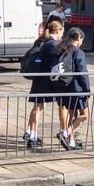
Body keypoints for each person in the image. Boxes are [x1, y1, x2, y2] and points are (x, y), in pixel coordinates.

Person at [23, 19, 64, 149]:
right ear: (58, 31)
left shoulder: (43, 41)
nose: (62, 34)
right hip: (46, 81)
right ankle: (33, 136)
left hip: (39, 79)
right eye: (62, 31)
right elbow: (55, 65)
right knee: (40, 108)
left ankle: (31, 133)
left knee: (37, 107)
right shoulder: (53, 44)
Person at [55, 27, 90, 150]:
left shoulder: (61, 49)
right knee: (84, 115)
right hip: (77, 89)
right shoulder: (78, 52)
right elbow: (82, 72)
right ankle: (65, 133)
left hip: (63, 86)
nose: (81, 42)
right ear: (78, 38)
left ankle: (71, 142)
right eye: (81, 39)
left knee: (71, 115)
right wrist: (87, 89)